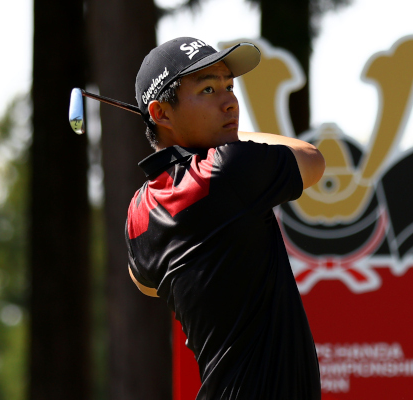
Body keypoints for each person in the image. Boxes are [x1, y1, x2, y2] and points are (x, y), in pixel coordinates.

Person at [125, 37, 325, 400]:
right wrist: (235, 139)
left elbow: (145, 282)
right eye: (208, 89)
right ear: (161, 113)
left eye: (229, 86)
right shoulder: (228, 169)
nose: (230, 101)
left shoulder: (140, 211)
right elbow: (312, 159)